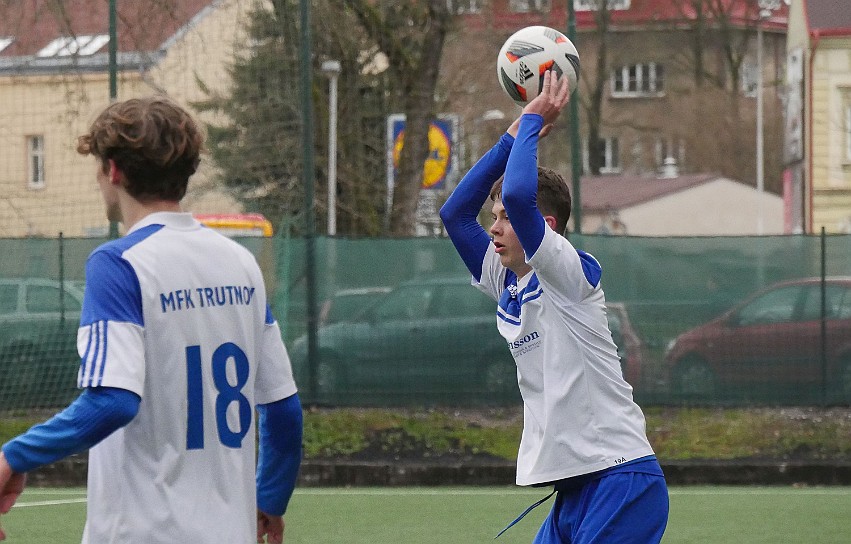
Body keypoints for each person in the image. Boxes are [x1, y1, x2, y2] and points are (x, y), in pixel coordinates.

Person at [0, 96, 303, 544]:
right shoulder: (240, 264)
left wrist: (14, 456)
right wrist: (271, 499)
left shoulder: (119, 265)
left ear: (114, 171)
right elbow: (283, 410)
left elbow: (113, 401)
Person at [439, 71, 668, 543]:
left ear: (545, 226)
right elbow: (455, 213)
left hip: (621, 478)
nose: (495, 228)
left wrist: (531, 125)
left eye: (503, 219)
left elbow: (522, 195)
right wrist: (509, 137)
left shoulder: (566, 273)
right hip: (577, 488)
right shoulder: (509, 279)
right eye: (495, 218)